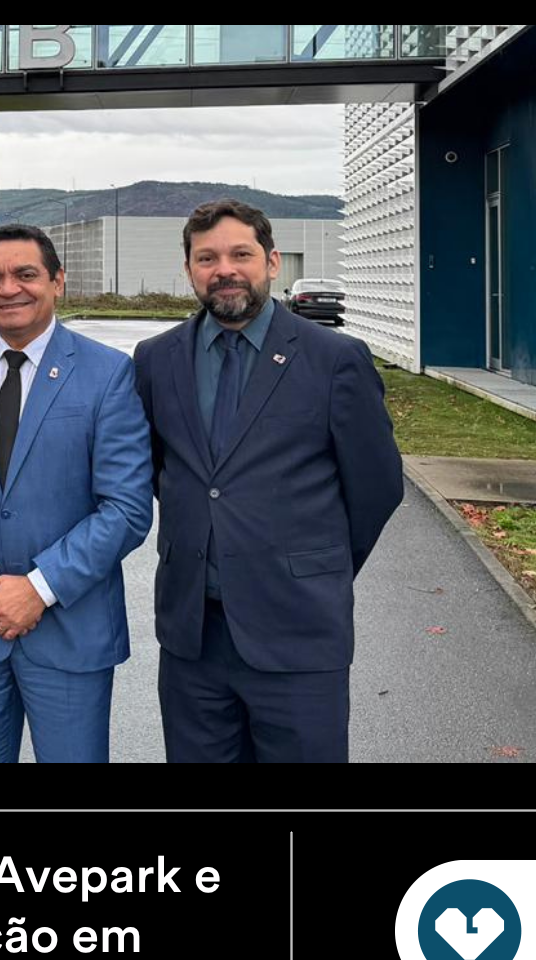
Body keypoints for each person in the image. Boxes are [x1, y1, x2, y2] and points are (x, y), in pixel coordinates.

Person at [132, 199, 403, 763]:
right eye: (207, 258)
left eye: (241, 254)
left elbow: (377, 488)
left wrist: (313, 566)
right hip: (193, 638)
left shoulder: (335, 359)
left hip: (298, 630)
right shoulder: (156, 360)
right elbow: (164, 473)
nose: (224, 270)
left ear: (272, 262)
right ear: (189, 269)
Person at [0, 224, 153, 762]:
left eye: (25, 274)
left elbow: (127, 508)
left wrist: (39, 588)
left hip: (71, 631)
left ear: (57, 281)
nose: (8, 288)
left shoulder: (108, 373)